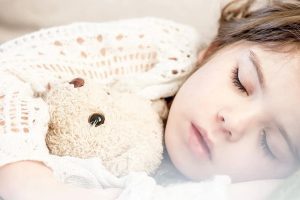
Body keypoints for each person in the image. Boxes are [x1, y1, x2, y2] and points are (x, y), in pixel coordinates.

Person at [0, 0, 299, 199]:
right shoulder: (162, 50)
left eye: (269, 144)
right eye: (240, 82)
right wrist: (21, 173)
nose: (233, 121)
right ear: (213, 49)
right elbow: (11, 66)